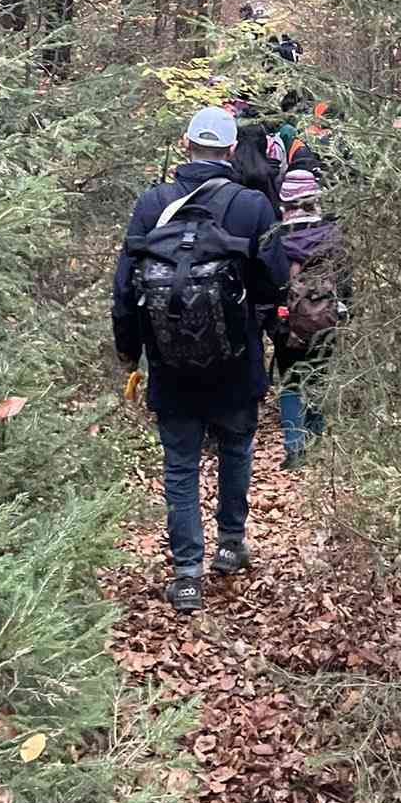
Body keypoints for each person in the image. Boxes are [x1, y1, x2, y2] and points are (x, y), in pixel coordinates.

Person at [113, 106, 285, 612]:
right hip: (236, 361)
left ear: (185, 144)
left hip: (169, 365)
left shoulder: (152, 203)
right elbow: (275, 280)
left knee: (181, 466)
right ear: (231, 152)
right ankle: (231, 543)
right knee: (236, 449)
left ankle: (187, 574)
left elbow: (125, 290)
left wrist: (130, 352)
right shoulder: (253, 206)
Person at [270, 167, 349, 469]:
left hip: (287, 322)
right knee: (318, 375)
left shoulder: (275, 238)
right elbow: (346, 282)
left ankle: (294, 448)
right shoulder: (333, 234)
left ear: (285, 204)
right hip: (327, 319)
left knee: (291, 380)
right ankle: (316, 438)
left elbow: (270, 282)